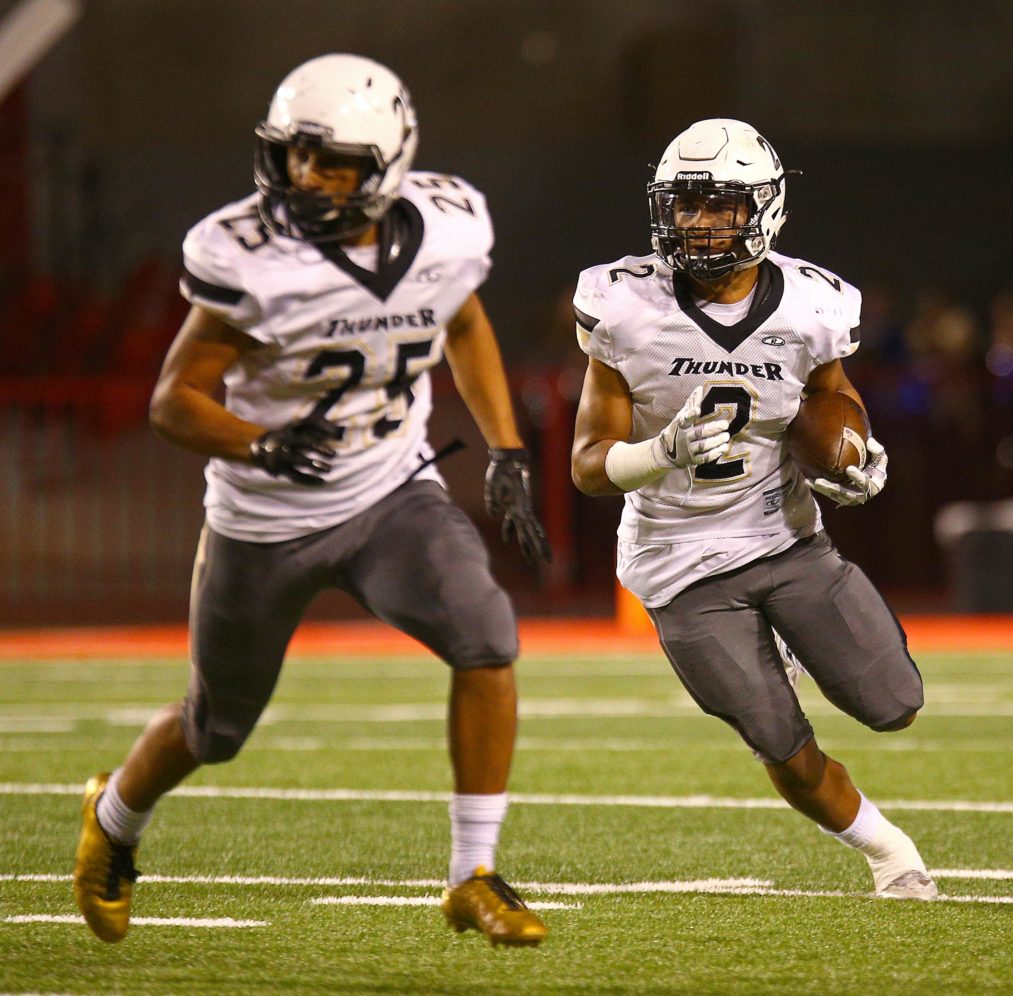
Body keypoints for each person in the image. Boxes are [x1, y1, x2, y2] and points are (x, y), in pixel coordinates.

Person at [73, 53, 551, 947]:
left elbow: (465, 320)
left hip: (389, 491)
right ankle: (114, 822)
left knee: (486, 633)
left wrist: (508, 447)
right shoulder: (250, 255)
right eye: (295, 156)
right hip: (266, 518)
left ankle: (473, 874)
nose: (307, 177)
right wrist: (258, 442)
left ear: (388, 165)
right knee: (215, 729)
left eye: (333, 163)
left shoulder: (445, 232)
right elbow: (173, 401)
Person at [570, 118, 937, 900]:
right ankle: (890, 853)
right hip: (677, 559)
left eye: (720, 206)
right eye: (685, 206)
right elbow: (587, 465)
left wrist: (853, 457)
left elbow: (832, 397)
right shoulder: (621, 305)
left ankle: (796, 641)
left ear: (764, 209)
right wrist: (660, 453)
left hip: (783, 534)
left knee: (896, 704)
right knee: (777, 737)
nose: (699, 224)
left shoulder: (814, 304)